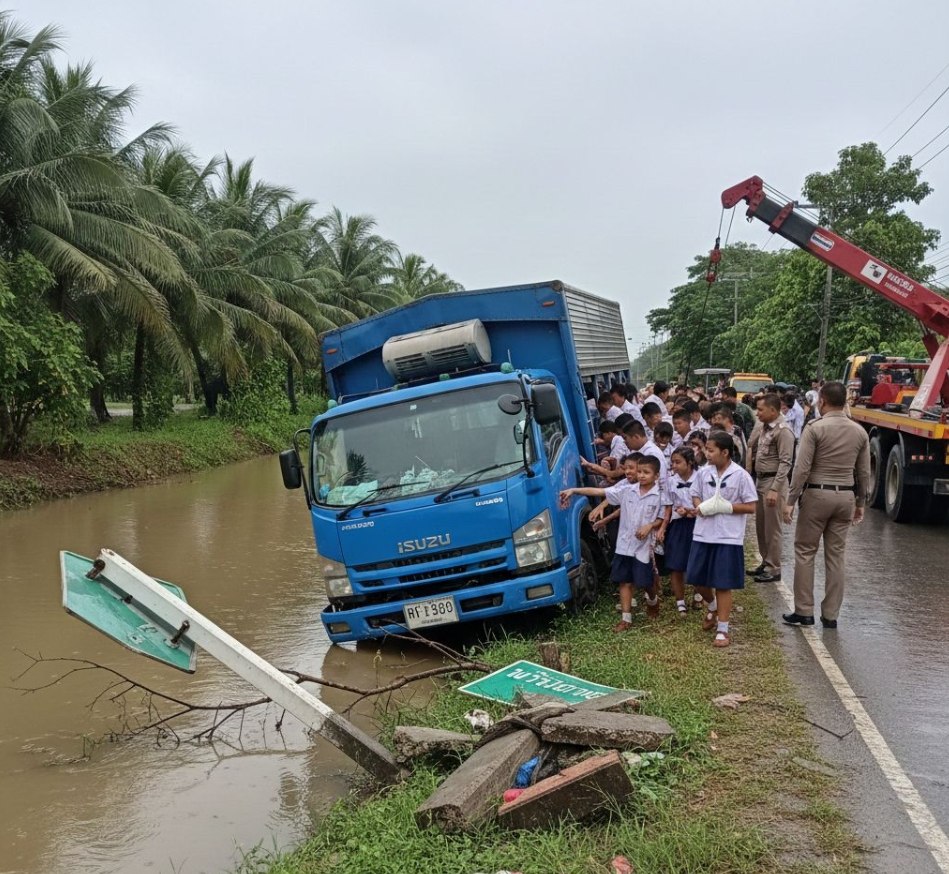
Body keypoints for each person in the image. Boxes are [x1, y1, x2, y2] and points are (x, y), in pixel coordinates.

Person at [782, 381, 871, 629]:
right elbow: (864, 472)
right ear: (845, 402)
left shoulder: (815, 428)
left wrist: (791, 500)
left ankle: (804, 611)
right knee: (836, 556)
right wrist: (861, 502)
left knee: (805, 551)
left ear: (822, 401)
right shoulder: (859, 432)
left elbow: (802, 469)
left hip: (817, 495)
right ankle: (831, 615)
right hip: (845, 497)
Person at [560, 455, 669, 631]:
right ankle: (626, 619)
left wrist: (650, 526)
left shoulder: (660, 496)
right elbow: (600, 492)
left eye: (646, 472)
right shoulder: (627, 490)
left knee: (645, 582)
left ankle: (653, 600)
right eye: (640, 472)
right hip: (624, 544)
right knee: (624, 581)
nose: (641, 475)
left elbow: (662, 518)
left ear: (656, 476)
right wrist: (574, 490)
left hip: (643, 547)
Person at [687, 431, 758, 647]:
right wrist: (701, 506)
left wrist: (726, 507)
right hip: (703, 534)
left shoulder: (740, 475)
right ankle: (712, 606)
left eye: (711, 450)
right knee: (697, 579)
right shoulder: (703, 473)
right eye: (706, 450)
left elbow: (751, 506)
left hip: (728, 536)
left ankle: (723, 629)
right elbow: (695, 493)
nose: (706, 454)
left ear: (725, 452)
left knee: (723, 583)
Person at [746, 393, 794, 583]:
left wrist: (775, 489)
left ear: (773, 410)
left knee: (773, 528)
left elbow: (785, 462)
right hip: (761, 480)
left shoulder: (783, 431)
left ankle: (774, 568)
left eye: (760, 410)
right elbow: (751, 445)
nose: (757, 413)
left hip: (774, 482)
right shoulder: (764, 427)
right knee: (761, 526)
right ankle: (765, 561)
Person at [665, 445, 699, 617]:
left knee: (698, 561)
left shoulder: (701, 478)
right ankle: (680, 601)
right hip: (678, 524)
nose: (674, 466)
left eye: (678, 462)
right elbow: (667, 506)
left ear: (690, 462)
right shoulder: (671, 481)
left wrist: (693, 511)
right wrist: (664, 526)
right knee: (676, 563)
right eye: (672, 462)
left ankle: (699, 595)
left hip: (699, 524)